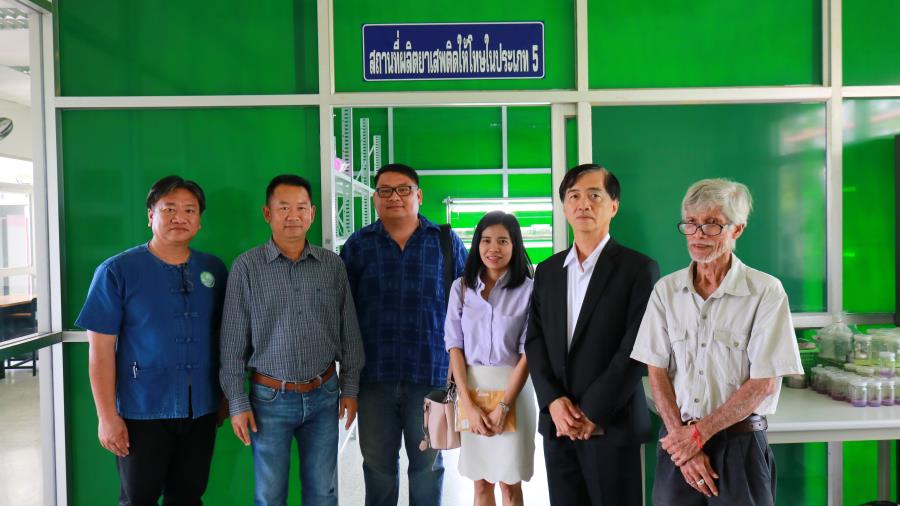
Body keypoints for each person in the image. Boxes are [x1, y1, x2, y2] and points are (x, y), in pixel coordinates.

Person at [630, 178, 802, 506]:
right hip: (677, 441)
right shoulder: (666, 291)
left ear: (737, 229)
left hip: (739, 445)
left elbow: (763, 384)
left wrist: (698, 435)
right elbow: (657, 373)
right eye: (691, 223)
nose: (698, 235)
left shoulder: (765, 291)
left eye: (711, 224)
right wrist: (685, 443)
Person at [76, 175, 228, 505]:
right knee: (138, 499)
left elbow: (224, 338)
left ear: (199, 220)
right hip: (141, 412)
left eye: (189, 210)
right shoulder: (116, 271)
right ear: (150, 216)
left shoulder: (214, 269)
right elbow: (100, 351)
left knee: (188, 496)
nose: (179, 217)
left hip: (201, 411)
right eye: (168, 209)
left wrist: (225, 397)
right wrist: (107, 417)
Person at [219, 174, 365, 506]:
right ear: (267, 213)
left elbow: (349, 332)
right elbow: (231, 345)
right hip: (268, 400)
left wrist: (350, 388)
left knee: (323, 493)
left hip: (324, 395)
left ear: (312, 213)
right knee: (270, 496)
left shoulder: (332, 266)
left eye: (300, 208)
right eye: (283, 208)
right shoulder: (246, 267)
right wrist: (237, 402)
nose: (293, 216)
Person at [525, 163, 659, 505]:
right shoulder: (548, 271)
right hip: (558, 426)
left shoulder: (638, 269)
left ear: (614, 206)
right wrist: (553, 402)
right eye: (574, 196)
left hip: (611, 425)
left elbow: (636, 348)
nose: (583, 204)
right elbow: (535, 341)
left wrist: (591, 412)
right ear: (564, 207)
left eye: (594, 195)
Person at [340, 163, 467, 506]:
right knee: (377, 468)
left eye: (404, 189)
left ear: (419, 195)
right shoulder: (358, 246)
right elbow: (343, 312)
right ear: (375, 198)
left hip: (431, 378)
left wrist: (462, 368)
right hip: (373, 379)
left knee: (428, 468)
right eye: (385, 190)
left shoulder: (445, 241)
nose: (394, 197)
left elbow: (467, 305)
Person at [444, 211, 537, 506]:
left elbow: (528, 353)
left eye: (502, 241)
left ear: (515, 245)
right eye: (486, 240)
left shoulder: (529, 290)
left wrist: (504, 405)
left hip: (514, 390)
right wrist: (468, 404)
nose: (493, 248)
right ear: (477, 244)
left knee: (510, 485)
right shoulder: (461, 288)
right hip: (471, 388)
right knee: (481, 483)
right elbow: (454, 346)